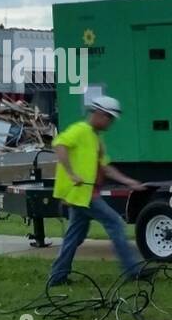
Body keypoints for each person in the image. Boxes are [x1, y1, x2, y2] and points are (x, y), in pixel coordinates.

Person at [47, 95, 148, 287]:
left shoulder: (96, 138)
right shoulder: (80, 130)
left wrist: (129, 182)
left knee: (74, 236)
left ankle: (57, 277)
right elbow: (59, 145)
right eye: (110, 118)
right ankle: (132, 270)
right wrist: (71, 174)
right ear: (100, 114)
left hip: (84, 195)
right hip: (82, 194)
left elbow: (105, 167)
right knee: (115, 223)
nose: (110, 123)